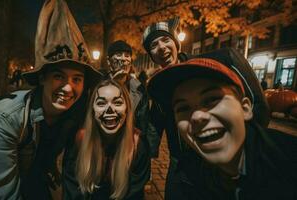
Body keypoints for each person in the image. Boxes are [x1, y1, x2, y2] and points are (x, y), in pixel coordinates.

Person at [0, 0, 102, 199]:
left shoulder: (76, 110)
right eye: (58, 76)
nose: (68, 88)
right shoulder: (6, 117)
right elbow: (3, 194)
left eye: (77, 79)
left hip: (32, 163)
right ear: (43, 78)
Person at [142, 21, 270, 199]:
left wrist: (243, 150)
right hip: (180, 163)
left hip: (215, 164)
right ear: (151, 55)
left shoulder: (210, 66)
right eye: (153, 45)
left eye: (165, 40)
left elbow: (259, 107)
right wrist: (145, 155)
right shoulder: (160, 88)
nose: (161, 47)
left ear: (176, 44)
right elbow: (154, 125)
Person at [147, 58, 297, 199]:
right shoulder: (186, 177)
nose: (197, 116)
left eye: (212, 99)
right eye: (183, 108)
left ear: (245, 108)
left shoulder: (288, 160)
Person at [62, 79, 150, 200]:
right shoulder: (79, 142)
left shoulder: (138, 145)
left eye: (117, 103)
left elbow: (134, 195)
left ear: (127, 109)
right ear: (92, 110)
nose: (109, 109)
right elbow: (72, 192)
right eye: (101, 103)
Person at [106, 40, 158, 157]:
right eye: (118, 54)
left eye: (127, 55)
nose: (124, 59)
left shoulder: (139, 88)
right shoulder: (98, 84)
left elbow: (142, 124)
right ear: (109, 61)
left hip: (128, 149)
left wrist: (143, 152)